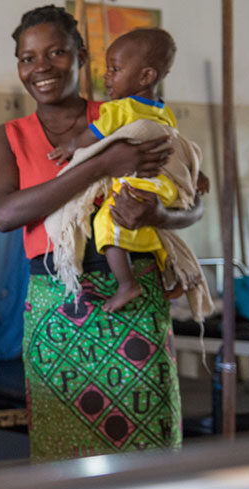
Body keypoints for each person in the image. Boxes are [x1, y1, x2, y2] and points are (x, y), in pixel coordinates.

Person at [0, 6, 204, 463]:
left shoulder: (127, 114)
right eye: (28, 58)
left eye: (56, 52)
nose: (41, 67)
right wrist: (102, 164)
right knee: (63, 463)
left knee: (155, 460)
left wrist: (156, 215)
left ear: (81, 56)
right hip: (55, 305)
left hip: (135, 298)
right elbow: (6, 214)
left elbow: (192, 199)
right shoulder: (10, 136)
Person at [46, 28, 201, 313]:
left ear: (146, 76)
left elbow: (92, 136)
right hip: (164, 187)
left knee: (106, 223)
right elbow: (177, 146)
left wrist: (71, 147)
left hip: (141, 184)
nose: (107, 76)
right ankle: (177, 274)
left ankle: (127, 284)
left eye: (115, 69)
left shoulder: (121, 109)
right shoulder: (163, 111)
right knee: (154, 232)